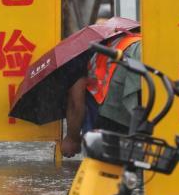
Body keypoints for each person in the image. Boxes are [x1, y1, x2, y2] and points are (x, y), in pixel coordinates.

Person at [61, 30, 142, 158]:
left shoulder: (72, 60)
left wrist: (72, 138)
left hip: (123, 72)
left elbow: (76, 105)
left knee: (105, 151)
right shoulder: (104, 40)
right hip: (141, 51)